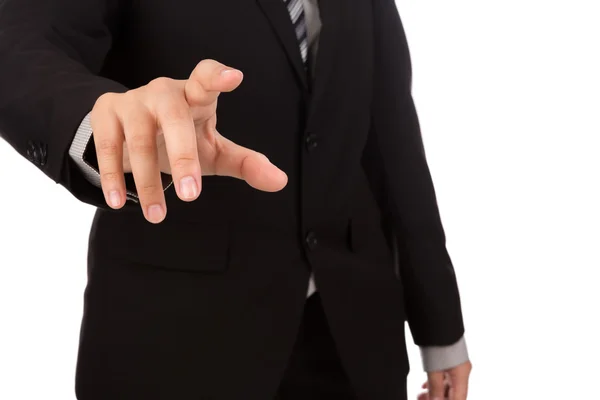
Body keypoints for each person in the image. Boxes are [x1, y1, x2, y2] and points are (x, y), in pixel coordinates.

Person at [0, 0, 472, 398]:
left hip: (354, 334)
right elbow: (15, 44)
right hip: (177, 342)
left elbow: (391, 135)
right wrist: (103, 117)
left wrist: (440, 327)